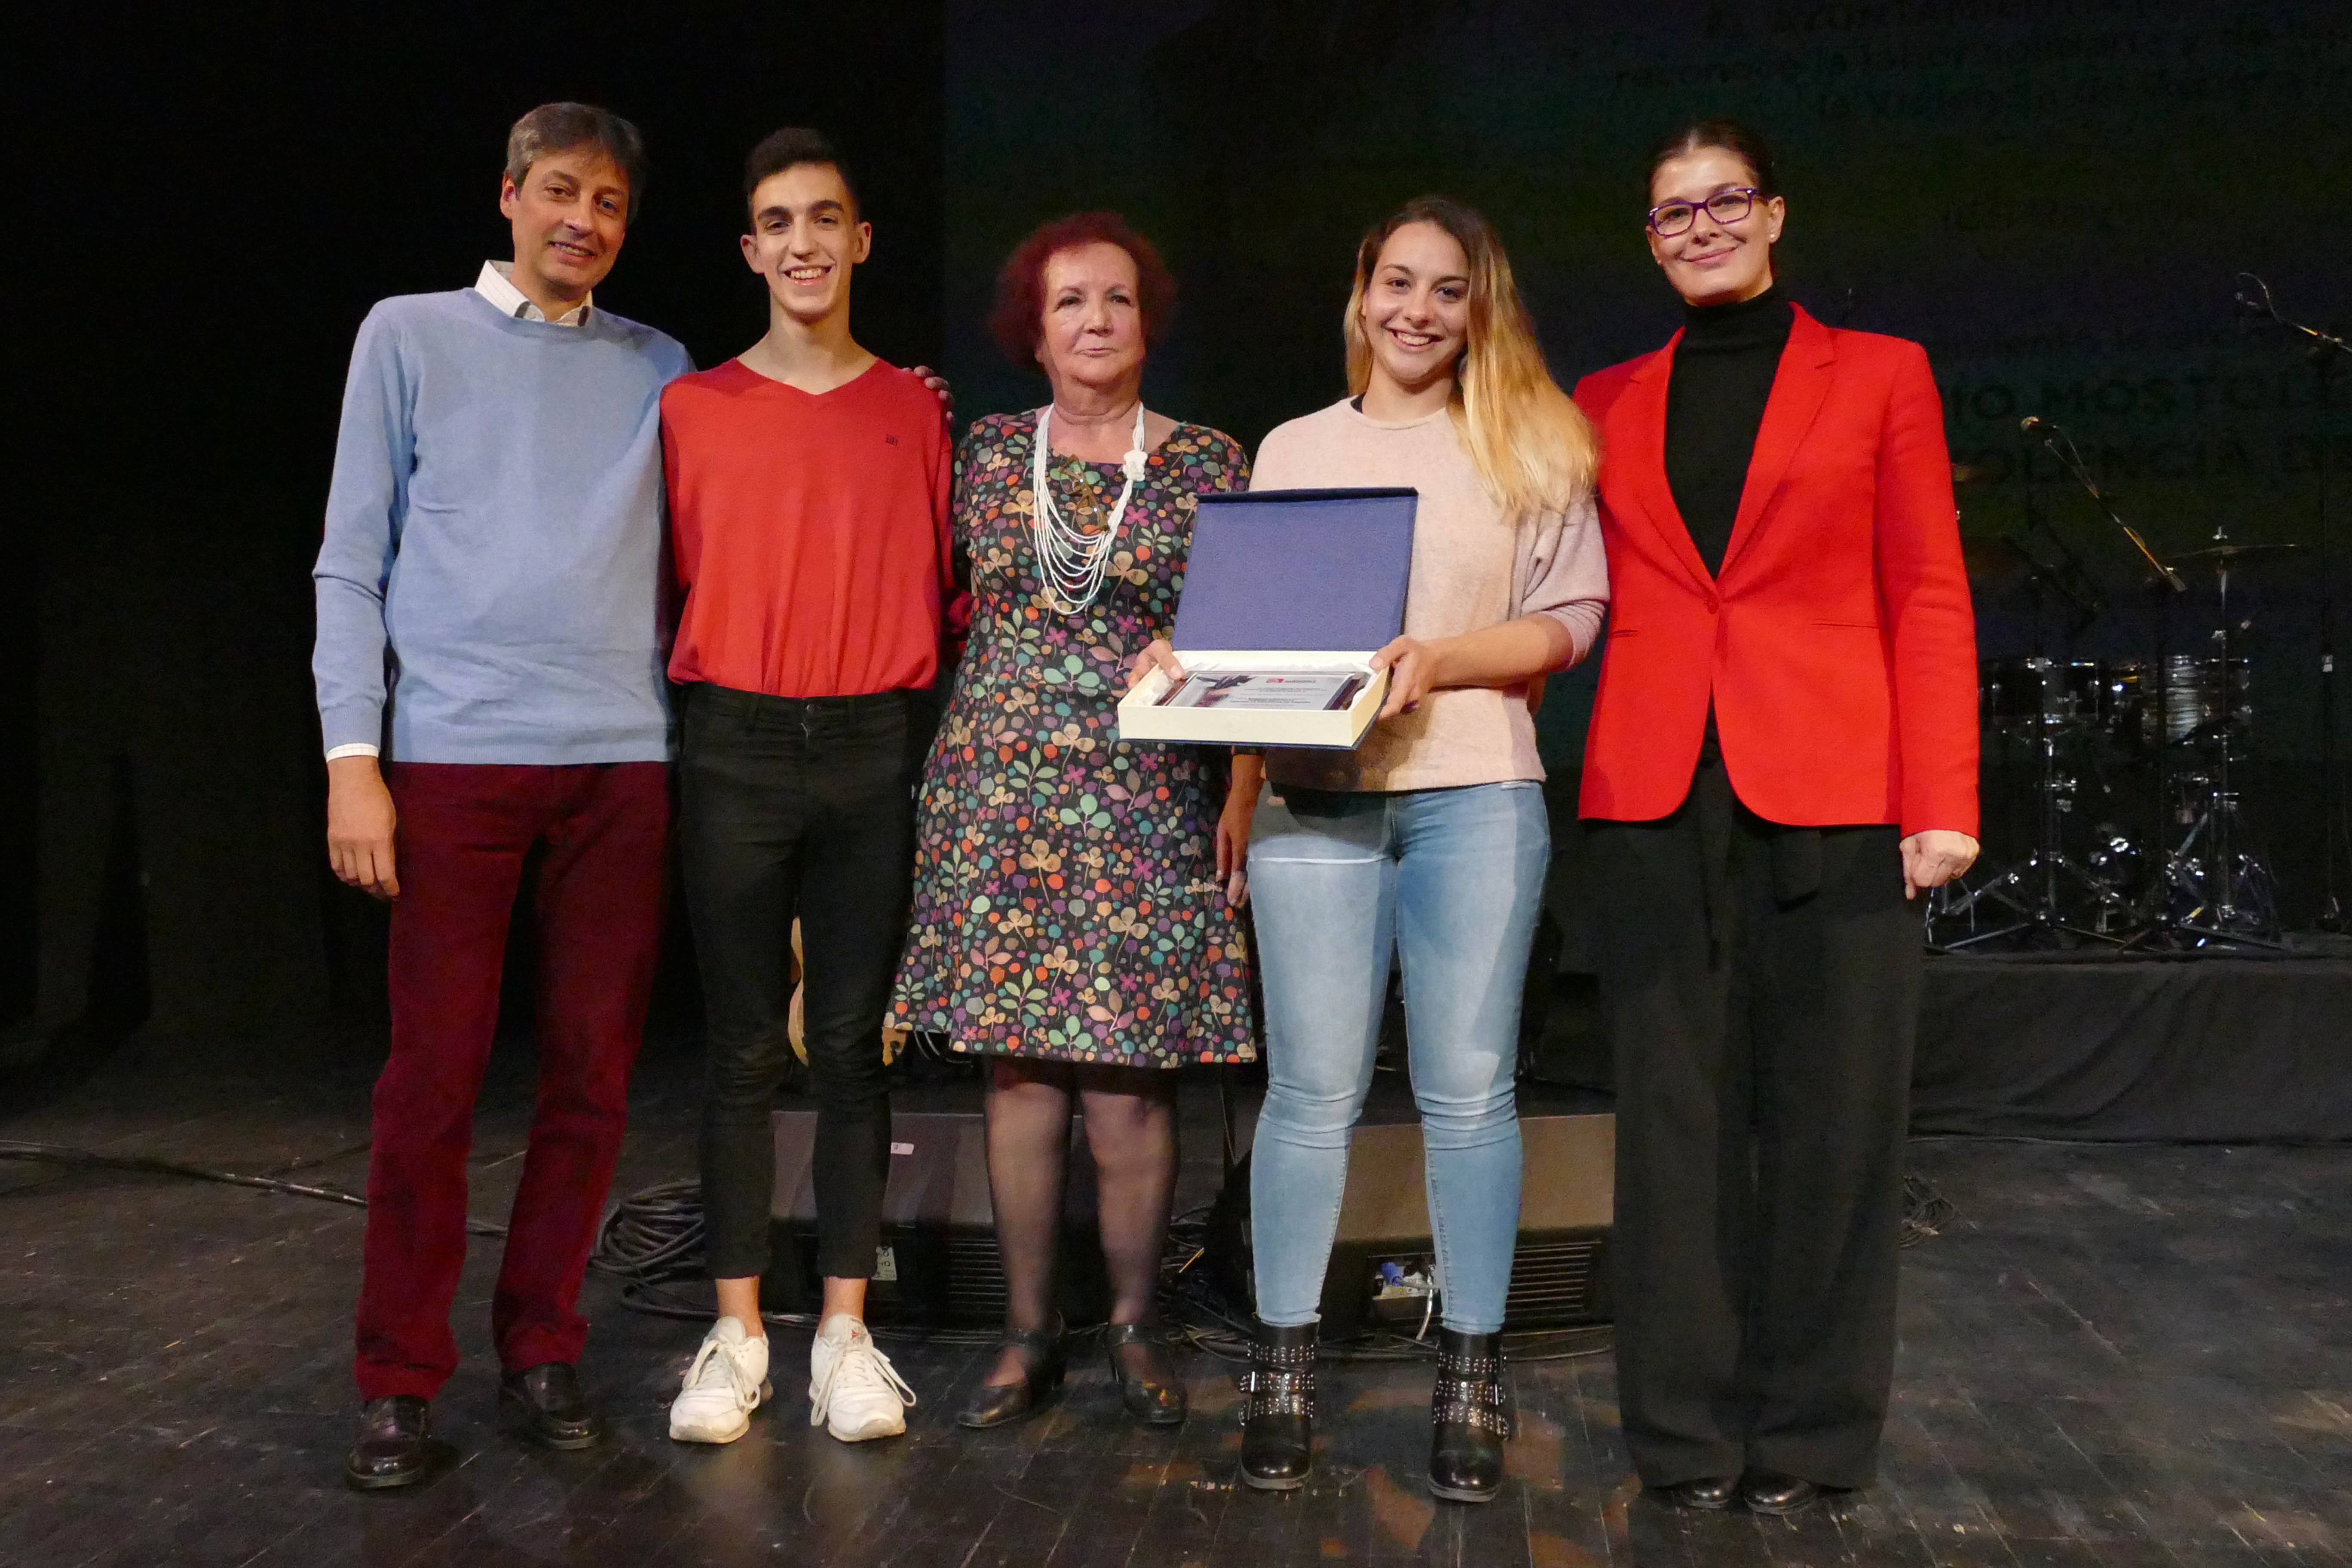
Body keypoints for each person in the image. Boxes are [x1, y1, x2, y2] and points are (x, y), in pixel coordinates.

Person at [1138, 196, 1608, 1503]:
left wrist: (1439, 661)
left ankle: (1472, 1371)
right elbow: (1252, 637)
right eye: (1397, 282)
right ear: (1362, 292)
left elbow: (1573, 618)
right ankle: (1281, 1369)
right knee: (1309, 1095)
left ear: (1479, 307)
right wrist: (1208, 707)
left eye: (1447, 289)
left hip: (1475, 795)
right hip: (1317, 802)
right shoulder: (1294, 448)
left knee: (1468, 1095)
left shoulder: (1531, 440)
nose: (1417, 310)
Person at [1571, 120, 1979, 1516]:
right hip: (1655, 795)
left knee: (1836, 1129)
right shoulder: (1604, 399)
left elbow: (1928, 590)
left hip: (1838, 791)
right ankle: (1684, 1438)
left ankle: (1811, 1436)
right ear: (1650, 239)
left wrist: (1942, 799)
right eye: (1672, 211)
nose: (1701, 227)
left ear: (1775, 214)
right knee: (1672, 1133)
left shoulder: (1879, 374)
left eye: (1724, 201)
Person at [314, 103, 690, 1490]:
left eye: (608, 202)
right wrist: (354, 759)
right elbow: (349, 561)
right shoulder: (407, 336)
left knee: (592, 1077)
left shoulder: (660, 365)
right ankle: (399, 1378)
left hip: (622, 759)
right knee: (433, 1081)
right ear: (511, 197)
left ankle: (542, 1346)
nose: (582, 219)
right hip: (455, 757)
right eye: (560, 191)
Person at [891, 214, 1258, 1432]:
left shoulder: (1209, 462)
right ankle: (1027, 1332)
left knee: (1129, 1082)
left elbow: (1256, 632)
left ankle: (1137, 1325)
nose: (1096, 320)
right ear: (1034, 334)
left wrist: (1242, 785)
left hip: (1143, 794)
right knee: (1019, 1075)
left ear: (1148, 322)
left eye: (1117, 299)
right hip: (997, 793)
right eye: (1069, 303)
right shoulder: (988, 452)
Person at [659, 128, 957, 1448]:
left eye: (824, 219)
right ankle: (736, 1338)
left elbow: (944, 588)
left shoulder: (915, 410)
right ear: (750, 249)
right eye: (778, 223)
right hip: (731, 737)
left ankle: (844, 1332)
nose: (803, 243)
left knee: (845, 1046)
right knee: (739, 1050)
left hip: (867, 743)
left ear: (861, 240)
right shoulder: (691, 408)